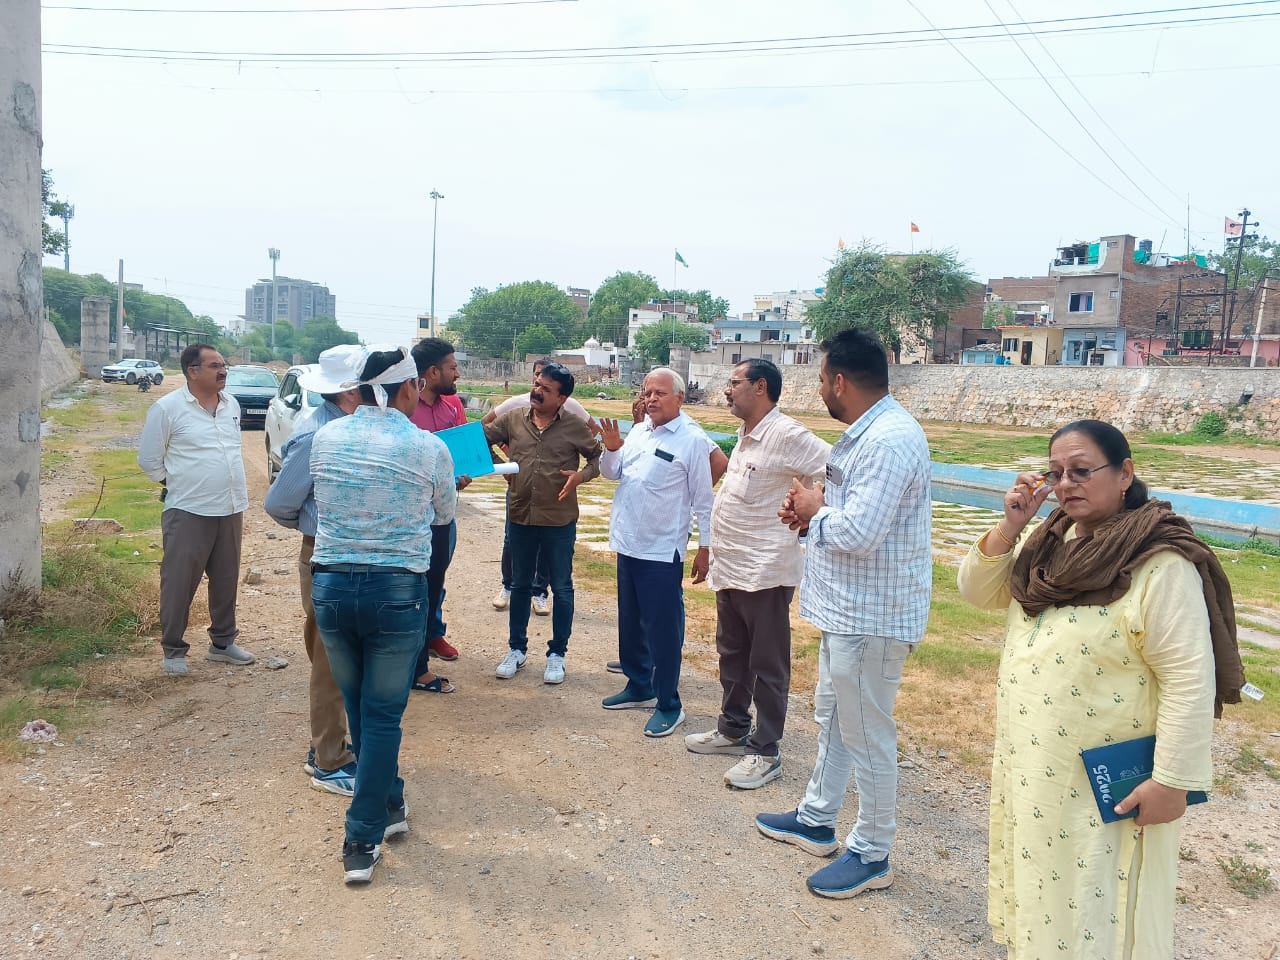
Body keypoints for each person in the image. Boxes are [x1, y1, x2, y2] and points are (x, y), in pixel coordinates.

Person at [956, 419, 1242, 959]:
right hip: (1036, 769)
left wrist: (1171, 782)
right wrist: (1011, 526)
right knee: (1042, 897)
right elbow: (976, 591)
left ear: (1125, 473)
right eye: (1056, 473)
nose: (1066, 484)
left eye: (1082, 471)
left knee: (1098, 907)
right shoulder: (1050, 546)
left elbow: (1188, 677)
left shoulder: (1159, 563)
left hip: (1105, 786)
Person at [756, 328, 931, 900]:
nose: (819, 390)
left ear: (838, 380)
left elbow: (859, 532)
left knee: (867, 734)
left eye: (820, 379)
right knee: (834, 716)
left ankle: (873, 851)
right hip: (849, 610)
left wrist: (817, 510)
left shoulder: (888, 440)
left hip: (872, 617)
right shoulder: (869, 434)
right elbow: (852, 512)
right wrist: (812, 511)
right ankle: (816, 818)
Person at [309, 346, 456, 885]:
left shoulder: (327, 436)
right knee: (384, 715)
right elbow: (443, 513)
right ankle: (362, 834)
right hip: (396, 590)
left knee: (359, 705)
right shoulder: (427, 446)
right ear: (408, 387)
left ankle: (390, 800)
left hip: (331, 585)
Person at [685, 359, 831, 787]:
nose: (727, 390)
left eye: (734, 383)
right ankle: (733, 728)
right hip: (732, 565)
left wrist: (811, 507)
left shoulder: (786, 434)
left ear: (760, 387)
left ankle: (766, 750)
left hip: (765, 570)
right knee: (732, 653)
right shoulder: (747, 434)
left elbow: (836, 469)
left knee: (767, 663)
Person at [263, 345, 365, 796]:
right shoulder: (316, 435)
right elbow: (279, 503)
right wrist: (314, 527)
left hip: (347, 555)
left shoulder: (347, 427)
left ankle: (330, 744)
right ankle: (328, 759)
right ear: (351, 391)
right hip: (325, 554)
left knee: (340, 657)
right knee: (329, 660)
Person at [598, 367, 713, 738]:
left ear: (679, 397)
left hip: (662, 551)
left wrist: (705, 547)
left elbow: (704, 499)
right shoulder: (640, 432)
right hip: (628, 544)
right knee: (630, 622)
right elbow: (612, 474)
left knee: (662, 632)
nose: (650, 399)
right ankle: (639, 686)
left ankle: (669, 704)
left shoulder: (692, 440)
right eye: (647, 392)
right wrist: (611, 449)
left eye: (659, 393)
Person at [138, 343, 255, 676]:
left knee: (226, 580)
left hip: (230, 507)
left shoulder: (231, 404)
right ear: (193, 371)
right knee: (179, 582)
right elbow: (149, 460)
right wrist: (179, 481)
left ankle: (223, 643)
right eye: (215, 365)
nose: (223, 371)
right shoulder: (167, 408)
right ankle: (173, 649)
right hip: (188, 510)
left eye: (224, 365)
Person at [483, 362, 601, 685]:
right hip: (521, 515)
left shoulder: (574, 425)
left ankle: (557, 654)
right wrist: (499, 468)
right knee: (520, 585)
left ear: (562, 398)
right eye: (537, 384)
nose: (537, 391)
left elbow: (597, 458)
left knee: (561, 588)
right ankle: (516, 650)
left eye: (546, 389)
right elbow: (481, 437)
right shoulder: (513, 419)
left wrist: (580, 476)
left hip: (558, 520)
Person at [407, 337, 473, 689]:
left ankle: (432, 634)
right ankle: (413, 660)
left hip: (444, 513)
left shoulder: (452, 405)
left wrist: (463, 474)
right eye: (452, 367)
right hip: (411, 513)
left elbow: (461, 455)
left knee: (436, 578)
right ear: (432, 372)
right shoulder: (405, 405)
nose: (457, 374)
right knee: (411, 582)